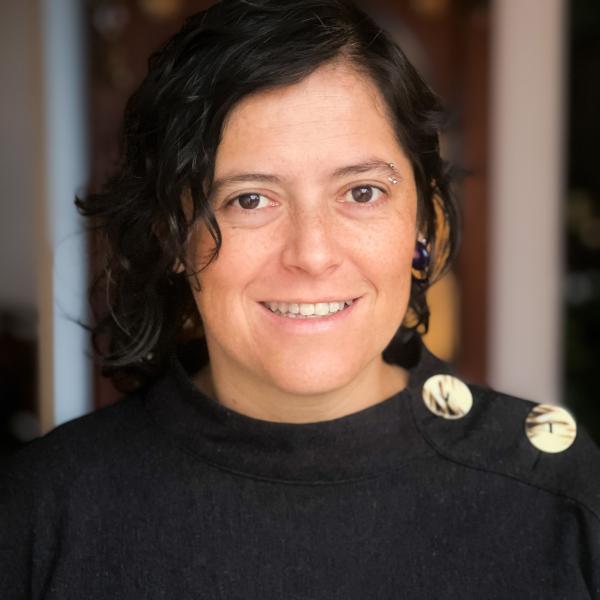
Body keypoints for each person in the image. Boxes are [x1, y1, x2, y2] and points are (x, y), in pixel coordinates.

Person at [1, 0, 599, 597]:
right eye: (250, 200)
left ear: (422, 216)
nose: (312, 254)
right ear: (172, 234)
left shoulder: (559, 494)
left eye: (362, 192)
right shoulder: (40, 512)